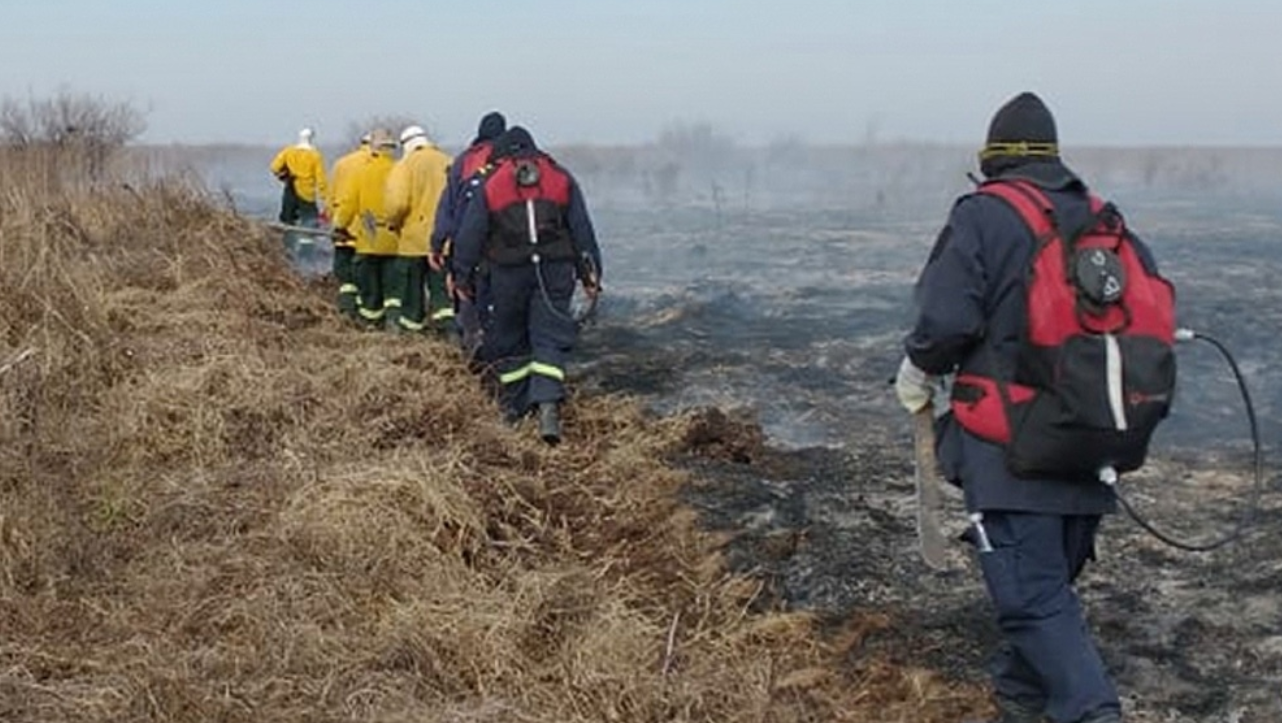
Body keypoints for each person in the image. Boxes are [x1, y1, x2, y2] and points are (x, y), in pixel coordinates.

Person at [894, 92, 1169, 723]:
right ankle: (1020, 699)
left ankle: (1091, 710)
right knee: (1048, 591)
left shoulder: (983, 215)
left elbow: (944, 320)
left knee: (1032, 600)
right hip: (1093, 442)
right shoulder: (1102, 217)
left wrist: (917, 369)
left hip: (1014, 451)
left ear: (990, 159)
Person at [451, 126, 602, 444]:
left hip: (507, 276)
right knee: (549, 338)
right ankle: (547, 408)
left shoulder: (490, 183)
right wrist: (591, 274)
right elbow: (581, 230)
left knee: (509, 339)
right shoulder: (560, 177)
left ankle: (517, 410)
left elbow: (470, 234)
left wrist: (462, 277)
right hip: (555, 273)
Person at [432, 111, 506, 354]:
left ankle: (472, 351)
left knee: (466, 297)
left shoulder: (465, 161)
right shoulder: (512, 162)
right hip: (505, 247)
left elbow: (448, 206)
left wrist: (437, 244)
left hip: (466, 244)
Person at [385, 125, 452, 334]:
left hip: (412, 243)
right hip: (445, 243)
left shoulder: (404, 165)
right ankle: (449, 335)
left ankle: (412, 336)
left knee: (411, 296)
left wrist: (393, 223)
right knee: (443, 295)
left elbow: (397, 204)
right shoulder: (449, 162)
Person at [333, 128, 400, 329]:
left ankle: (371, 324)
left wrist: (339, 226)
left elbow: (349, 203)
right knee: (393, 287)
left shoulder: (363, 171)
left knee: (369, 287)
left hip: (368, 237)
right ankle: (394, 321)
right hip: (394, 238)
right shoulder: (400, 169)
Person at [326, 132, 371, 319]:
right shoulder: (382, 165)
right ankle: (365, 313)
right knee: (367, 277)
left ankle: (346, 310)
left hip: (343, 231)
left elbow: (331, 197)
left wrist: (335, 223)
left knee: (346, 278)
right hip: (369, 233)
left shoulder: (342, 164)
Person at [269, 127, 328, 226]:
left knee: (287, 219)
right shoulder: (315, 155)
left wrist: (283, 175)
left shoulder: (288, 151)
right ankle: (307, 237)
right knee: (311, 220)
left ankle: (287, 237)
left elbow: (274, 167)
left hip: (290, 189)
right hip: (306, 193)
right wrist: (325, 199)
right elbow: (321, 180)